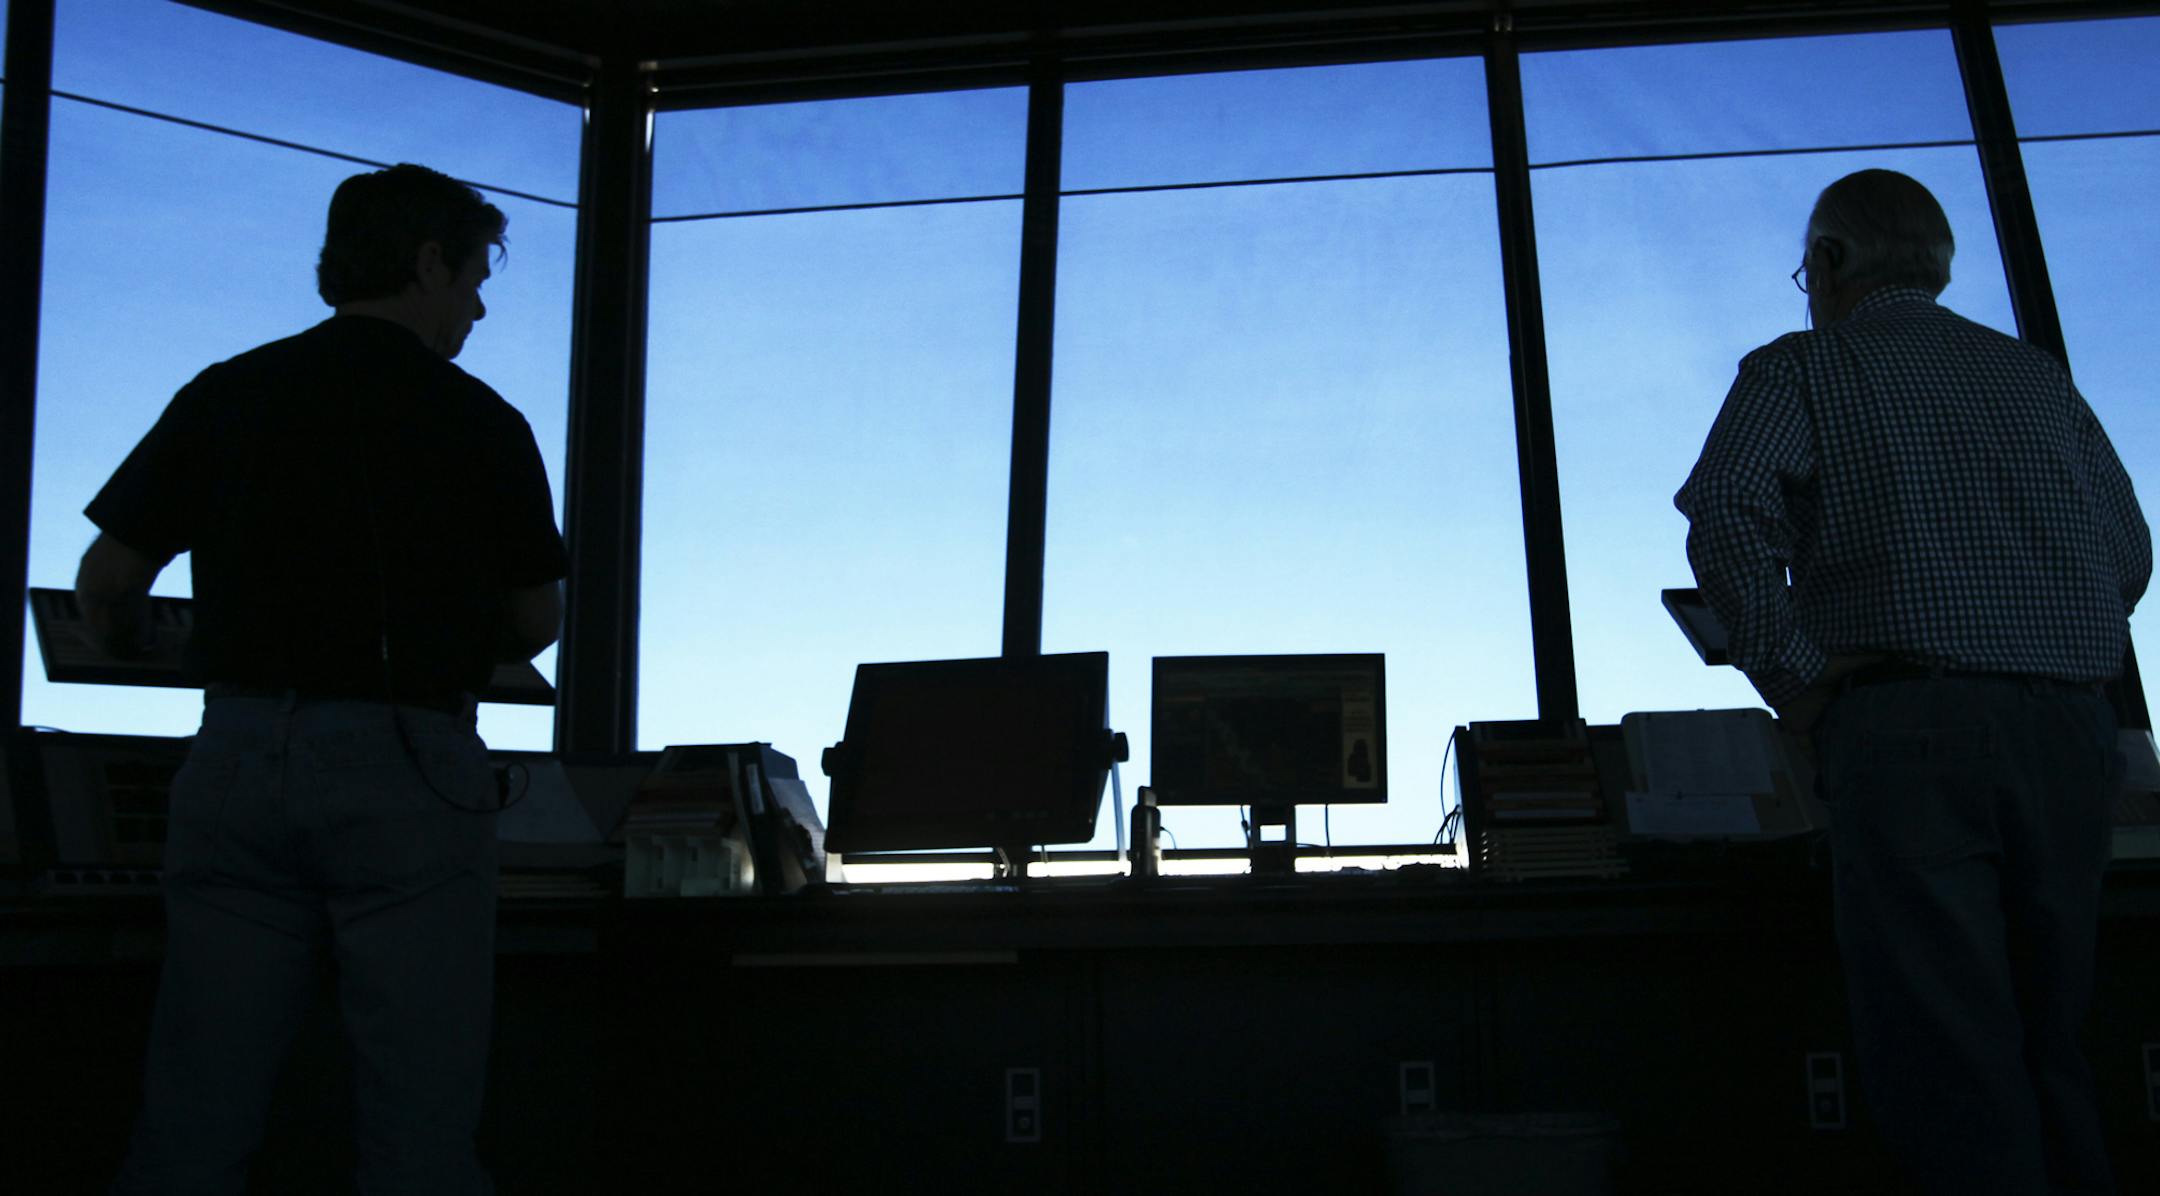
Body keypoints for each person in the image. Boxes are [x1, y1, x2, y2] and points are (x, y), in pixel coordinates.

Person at [85, 163, 568, 1195]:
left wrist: (143, 646)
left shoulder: (227, 391)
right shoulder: (484, 421)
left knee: (195, 1115)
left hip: (239, 756)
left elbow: (111, 577)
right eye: (476, 276)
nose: (479, 304)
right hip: (410, 767)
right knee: (419, 1129)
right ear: (430, 262)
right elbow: (538, 618)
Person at [1675, 168, 2146, 1195]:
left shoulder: (1802, 367)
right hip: (2072, 731)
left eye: (1809, 269)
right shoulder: (2037, 379)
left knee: (1948, 1051)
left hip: (1910, 728)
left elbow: (1725, 513)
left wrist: (1797, 681)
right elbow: (2127, 552)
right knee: (2052, 1039)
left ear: (1833, 264)